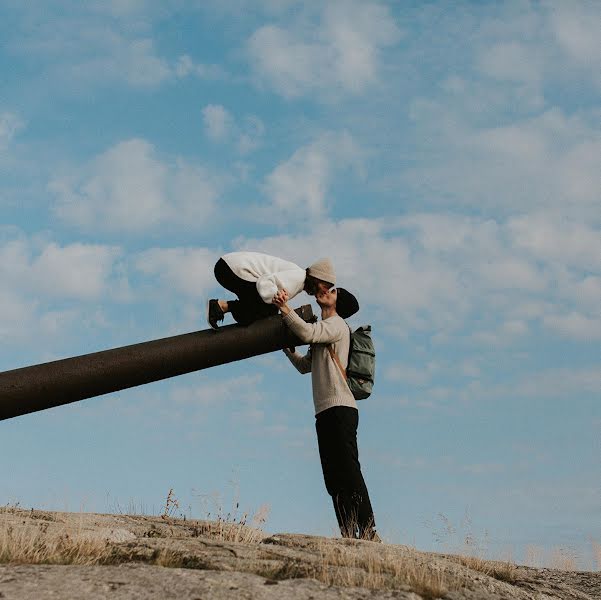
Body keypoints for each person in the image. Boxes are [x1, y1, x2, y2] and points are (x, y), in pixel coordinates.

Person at [273, 271, 380, 542]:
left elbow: (307, 332)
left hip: (342, 408)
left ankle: (368, 531)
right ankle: (348, 531)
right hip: (324, 411)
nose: (326, 291)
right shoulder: (323, 333)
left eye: (332, 292)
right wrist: (288, 350)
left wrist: (285, 308)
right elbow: (304, 366)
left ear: (337, 303)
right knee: (333, 477)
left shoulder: (337, 326)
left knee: (349, 471)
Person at [206, 252, 335, 329]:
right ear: (317, 280)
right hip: (230, 268)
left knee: (267, 310)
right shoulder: (298, 278)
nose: (325, 292)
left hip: (228, 266)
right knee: (266, 311)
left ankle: (221, 307)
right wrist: (278, 299)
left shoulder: (299, 278)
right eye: (326, 287)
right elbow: (265, 283)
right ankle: (220, 306)